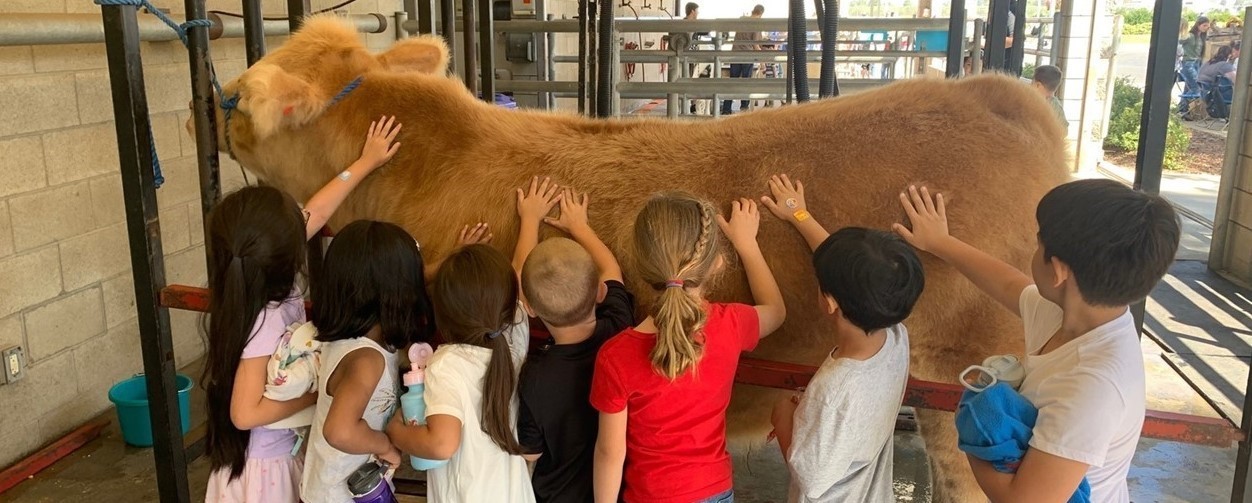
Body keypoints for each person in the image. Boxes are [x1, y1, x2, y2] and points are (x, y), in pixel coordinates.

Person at [893, 180, 1180, 503]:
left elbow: (1024, 500)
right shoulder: (1072, 316)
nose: (1033, 251)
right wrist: (941, 243)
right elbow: (1007, 283)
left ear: (1058, 271)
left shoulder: (1092, 387)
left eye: (1038, 243)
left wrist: (974, 436)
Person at [202, 117, 403, 503]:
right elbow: (244, 413)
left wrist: (365, 161)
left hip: (277, 449)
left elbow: (319, 211)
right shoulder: (264, 317)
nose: (304, 217)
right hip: (266, 468)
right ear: (290, 249)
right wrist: (318, 399)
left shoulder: (254, 271)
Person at [591, 192, 787, 503]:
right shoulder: (731, 325)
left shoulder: (615, 355)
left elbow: (609, 454)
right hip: (713, 490)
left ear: (642, 267)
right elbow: (776, 311)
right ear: (717, 264)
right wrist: (747, 244)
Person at [761, 175, 922, 502]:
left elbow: (811, 477)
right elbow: (849, 272)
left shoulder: (833, 391)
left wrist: (783, 416)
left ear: (829, 302)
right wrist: (799, 215)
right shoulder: (895, 338)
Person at [511, 178, 636, 503]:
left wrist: (529, 221)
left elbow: (530, 454)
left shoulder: (533, 375)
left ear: (533, 311)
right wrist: (581, 227)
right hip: (617, 490)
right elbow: (611, 269)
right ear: (599, 292)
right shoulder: (620, 328)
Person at [386, 243, 537, 502]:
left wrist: (396, 431)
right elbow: (516, 279)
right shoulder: (514, 340)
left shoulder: (446, 364)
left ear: (442, 312)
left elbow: (442, 444)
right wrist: (531, 221)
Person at [299, 220, 436, 503]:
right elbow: (340, 430)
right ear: (397, 292)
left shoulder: (355, 340)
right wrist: (385, 445)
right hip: (338, 495)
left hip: (353, 487)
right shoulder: (366, 360)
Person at [722, 5, 766, 115]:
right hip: (747, 56)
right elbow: (756, 46)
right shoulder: (757, 24)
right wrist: (762, 62)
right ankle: (744, 109)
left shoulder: (741, 20)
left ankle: (726, 109)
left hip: (735, 54)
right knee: (746, 83)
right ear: (761, 14)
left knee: (733, 82)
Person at [1178, 16, 1211, 113]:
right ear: (1198, 25)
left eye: (1207, 27)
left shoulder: (1202, 37)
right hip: (1188, 63)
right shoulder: (1190, 35)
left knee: (1189, 86)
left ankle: (1183, 109)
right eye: (1204, 25)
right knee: (1196, 87)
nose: (1206, 28)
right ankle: (1182, 107)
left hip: (1197, 63)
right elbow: (1178, 42)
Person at [1031, 65, 1068, 129]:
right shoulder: (1057, 108)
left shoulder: (1030, 103)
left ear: (1038, 85)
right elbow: (1064, 131)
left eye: (1032, 83)